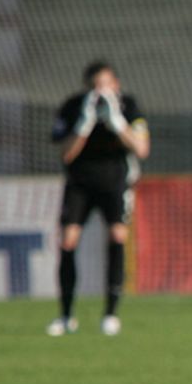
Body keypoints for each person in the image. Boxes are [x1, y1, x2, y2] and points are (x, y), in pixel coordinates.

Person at [47, 61, 150, 337]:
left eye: (105, 85)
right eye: (95, 86)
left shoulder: (127, 105)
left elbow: (141, 148)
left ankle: (111, 314)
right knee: (68, 240)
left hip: (115, 183)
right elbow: (66, 154)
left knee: (117, 236)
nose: (100, 91)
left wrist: (117, 123)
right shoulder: (74, 106)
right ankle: (66, 315)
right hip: (80, 183)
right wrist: (84, 123)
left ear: (116, 84)